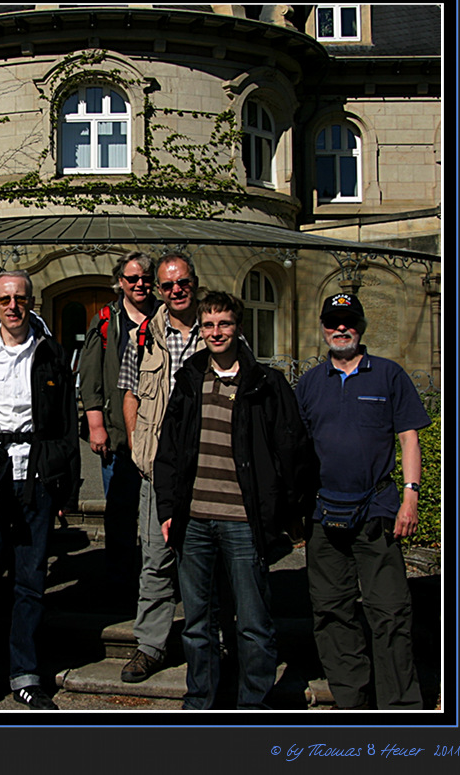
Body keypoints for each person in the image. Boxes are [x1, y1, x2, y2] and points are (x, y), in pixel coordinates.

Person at [153, 292, 312, 709]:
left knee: (254, 622)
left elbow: (291, 449)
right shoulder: (190, 379)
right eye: (208, 325)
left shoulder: (266, 383)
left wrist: (289, 512)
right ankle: (200, 698)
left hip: (244, 521)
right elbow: (168, 452)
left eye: (223, 324)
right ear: (201, 330)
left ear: (237, 327)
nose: (216, 332)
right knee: (198, 623)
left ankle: (252, 703)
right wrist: (168, 511)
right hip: (194, 520)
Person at [0, 270, 80, 710]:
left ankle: (25, 673)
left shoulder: (51, 354)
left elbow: (65, 425)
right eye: (5, 298)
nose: (11, 305)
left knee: (30, 582)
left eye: (19, 298)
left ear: (31, 301)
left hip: (36, 479)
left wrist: (64, 488)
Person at [295, 292, 430, 710]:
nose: (341, 328)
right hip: (322, 514)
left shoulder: (388, 375)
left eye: (348, 321)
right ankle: (352, 700)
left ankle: (400, 706)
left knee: (390, 611)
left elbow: (409, 437)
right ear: (323, 327)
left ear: (361, 327)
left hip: (376, 510)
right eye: (333, 321)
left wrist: (411, 496)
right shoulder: (310, 382)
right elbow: (296, 447)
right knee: (332, 612)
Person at [116, 254, 203, 683]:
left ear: (194, 284)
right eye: (166, 286)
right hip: (156, 469)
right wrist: (137, 448)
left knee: (207, 559)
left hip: (208, 468)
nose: (174, 291)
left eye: (181, 283)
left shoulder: (219, 330)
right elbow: (129, 394)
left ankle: (209, 640)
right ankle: (150, 646)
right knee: (155, 558)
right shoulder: (143, 335)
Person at [79, 251, 157, 590]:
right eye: (132, 278)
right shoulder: (106, 319)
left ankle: (157, 579)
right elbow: (90, 374)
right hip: (116, 433)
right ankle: (120, 579)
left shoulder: (165, 315)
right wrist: (96, 425)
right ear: (120, 282)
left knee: (158, 513)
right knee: (120, 511)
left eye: (145, 278)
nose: (139, 284)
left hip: (158, 432)